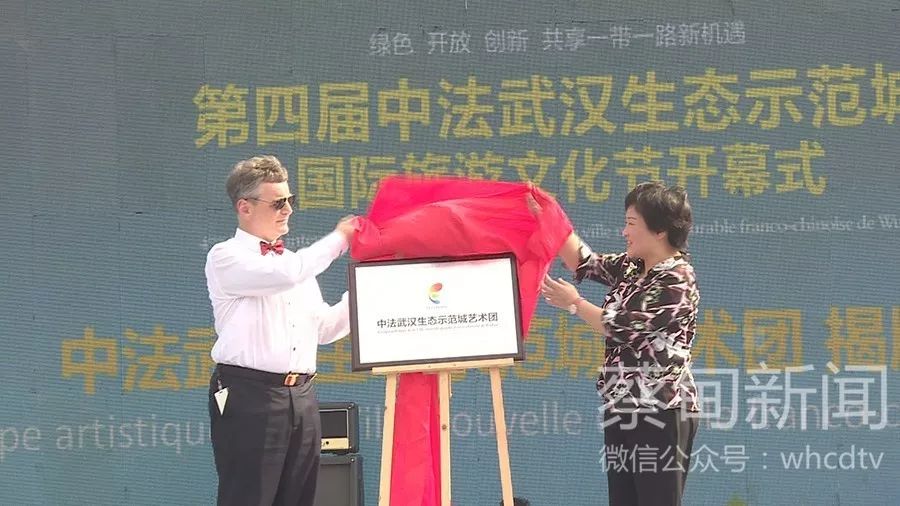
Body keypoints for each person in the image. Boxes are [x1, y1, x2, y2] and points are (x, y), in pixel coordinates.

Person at [204, 155, 356, 506]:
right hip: (250, 394)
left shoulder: (293, 264)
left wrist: (365, 292)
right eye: (277, 203)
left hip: (302, 395)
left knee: (299, 497)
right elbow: (284, 276)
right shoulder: (226, 256)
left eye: (290, 200)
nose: (288, 210)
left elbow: (325, 328)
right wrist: (340, 238)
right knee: (249, 497)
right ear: (244, 207)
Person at [541, 181, 700, 506]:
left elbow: (623, 327)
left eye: (631, 223)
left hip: (660, 409)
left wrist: (575, 304)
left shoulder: (676, 279)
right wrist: (547, 214)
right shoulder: (632, 266)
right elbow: (585, 262)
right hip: (622, 405)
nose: (624, 232)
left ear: (659, 231)